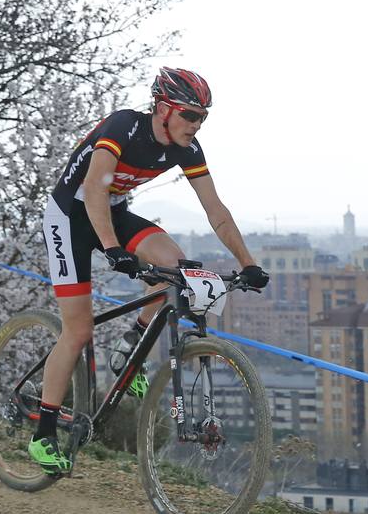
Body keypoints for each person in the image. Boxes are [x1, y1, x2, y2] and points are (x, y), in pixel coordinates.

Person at [29, 67, 269, 475]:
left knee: (177, 268)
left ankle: (130, 344)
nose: (196, 124)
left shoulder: (187, 149)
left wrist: (248, 263)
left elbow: (216, 210)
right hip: (70, 217)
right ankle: (43, 433)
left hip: (113, 212)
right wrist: (112, 248)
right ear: (162, 109)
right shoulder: (124, 126)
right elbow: (95, 187)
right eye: (189, 115)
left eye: (202, 117)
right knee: (79, 330)